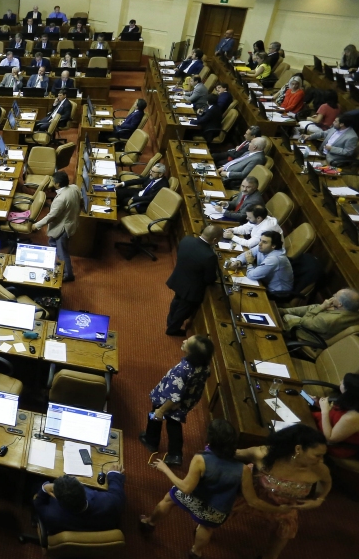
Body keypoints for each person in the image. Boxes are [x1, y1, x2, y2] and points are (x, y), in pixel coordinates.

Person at [140, 420, 264, 558]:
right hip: (216, 511)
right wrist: (279, 509)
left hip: (192, 498)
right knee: (206, 527)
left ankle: (149, 523)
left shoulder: (201, 459)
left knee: (169, 499)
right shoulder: (244, 469)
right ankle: (196, 552)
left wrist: (165, 469)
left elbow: (186, 488)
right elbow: (253, 501)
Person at [235, 425, 331, 559]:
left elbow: (327, 482)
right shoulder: (265, 455)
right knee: (219, 508)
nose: (321, 460)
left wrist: (319, 500)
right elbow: (234, 453)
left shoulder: (319, 469)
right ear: (298, 449)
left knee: (286, 530)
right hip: (255, 495)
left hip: (286, 507)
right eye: (317, 455)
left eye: (323, 456)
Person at [140, 335, 215, 466]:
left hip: (167, 401)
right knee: (174, 423)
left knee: (154, 416)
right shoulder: (205, 365)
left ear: (191, 352)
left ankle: (151, 441)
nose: (184, 341)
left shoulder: (182, 370)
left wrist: (161, 410)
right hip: (187, 400)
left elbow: (174, 396)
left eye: (187, 342)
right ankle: (175, 455)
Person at [33, 464, 125, 537]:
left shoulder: (51, 515)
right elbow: (117, 491)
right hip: (97, 527)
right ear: (84, 490)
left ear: (59, 501)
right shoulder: (110, 503)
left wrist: (45, 487)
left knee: (36, 484)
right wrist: (113, 473)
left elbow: (38, 503)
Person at [165, 226, 221, 336]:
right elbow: (209, 279)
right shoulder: (210, 256)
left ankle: (170, 321)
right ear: (215, 240)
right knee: (183, 310)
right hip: (191, 289)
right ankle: (172, 329)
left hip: (179, 278)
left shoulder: (187, 239)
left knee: (176, 301)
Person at [312, 373, 359, 458]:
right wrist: (322, 405)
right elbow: (337, 412)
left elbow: (329, 438)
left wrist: (325, 411)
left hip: (336, 446)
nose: (341, 382)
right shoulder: (358, 401)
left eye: (343, 383)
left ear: (350, 392)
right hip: (329, 424)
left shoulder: (353, 418)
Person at [32, 171, 80, 281]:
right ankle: (61, 263)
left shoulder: (61, 199)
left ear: (57, 184)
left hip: (62, 228)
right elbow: (81, 201)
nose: (52, 183)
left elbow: (51, 216)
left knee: (62, 252)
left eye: (53, 181)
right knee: (53, 243)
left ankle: (68, 274)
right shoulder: (74, 187)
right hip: (71, 222)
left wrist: (37, 225)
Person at [281, 289, 359, 340]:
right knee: (314, 307)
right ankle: (284, 310)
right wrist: (321, 307)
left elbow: (304, 321)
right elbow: (313, 308)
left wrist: (322, 307)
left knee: (285, 318)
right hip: (321, 325)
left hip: (308, 334)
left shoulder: (328, 320)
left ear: (340, 304)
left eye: (335, 296)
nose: (333, 295)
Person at [229, 231, 294, 295]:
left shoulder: (275, 259)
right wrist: (239, 261)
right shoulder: (263, 247)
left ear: (273, 246)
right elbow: (247, 253)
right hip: (262, 281)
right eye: (260, 240)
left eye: (264, 242)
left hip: (276, 293)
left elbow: (251, 276)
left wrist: (249, 263)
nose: (260, 244)